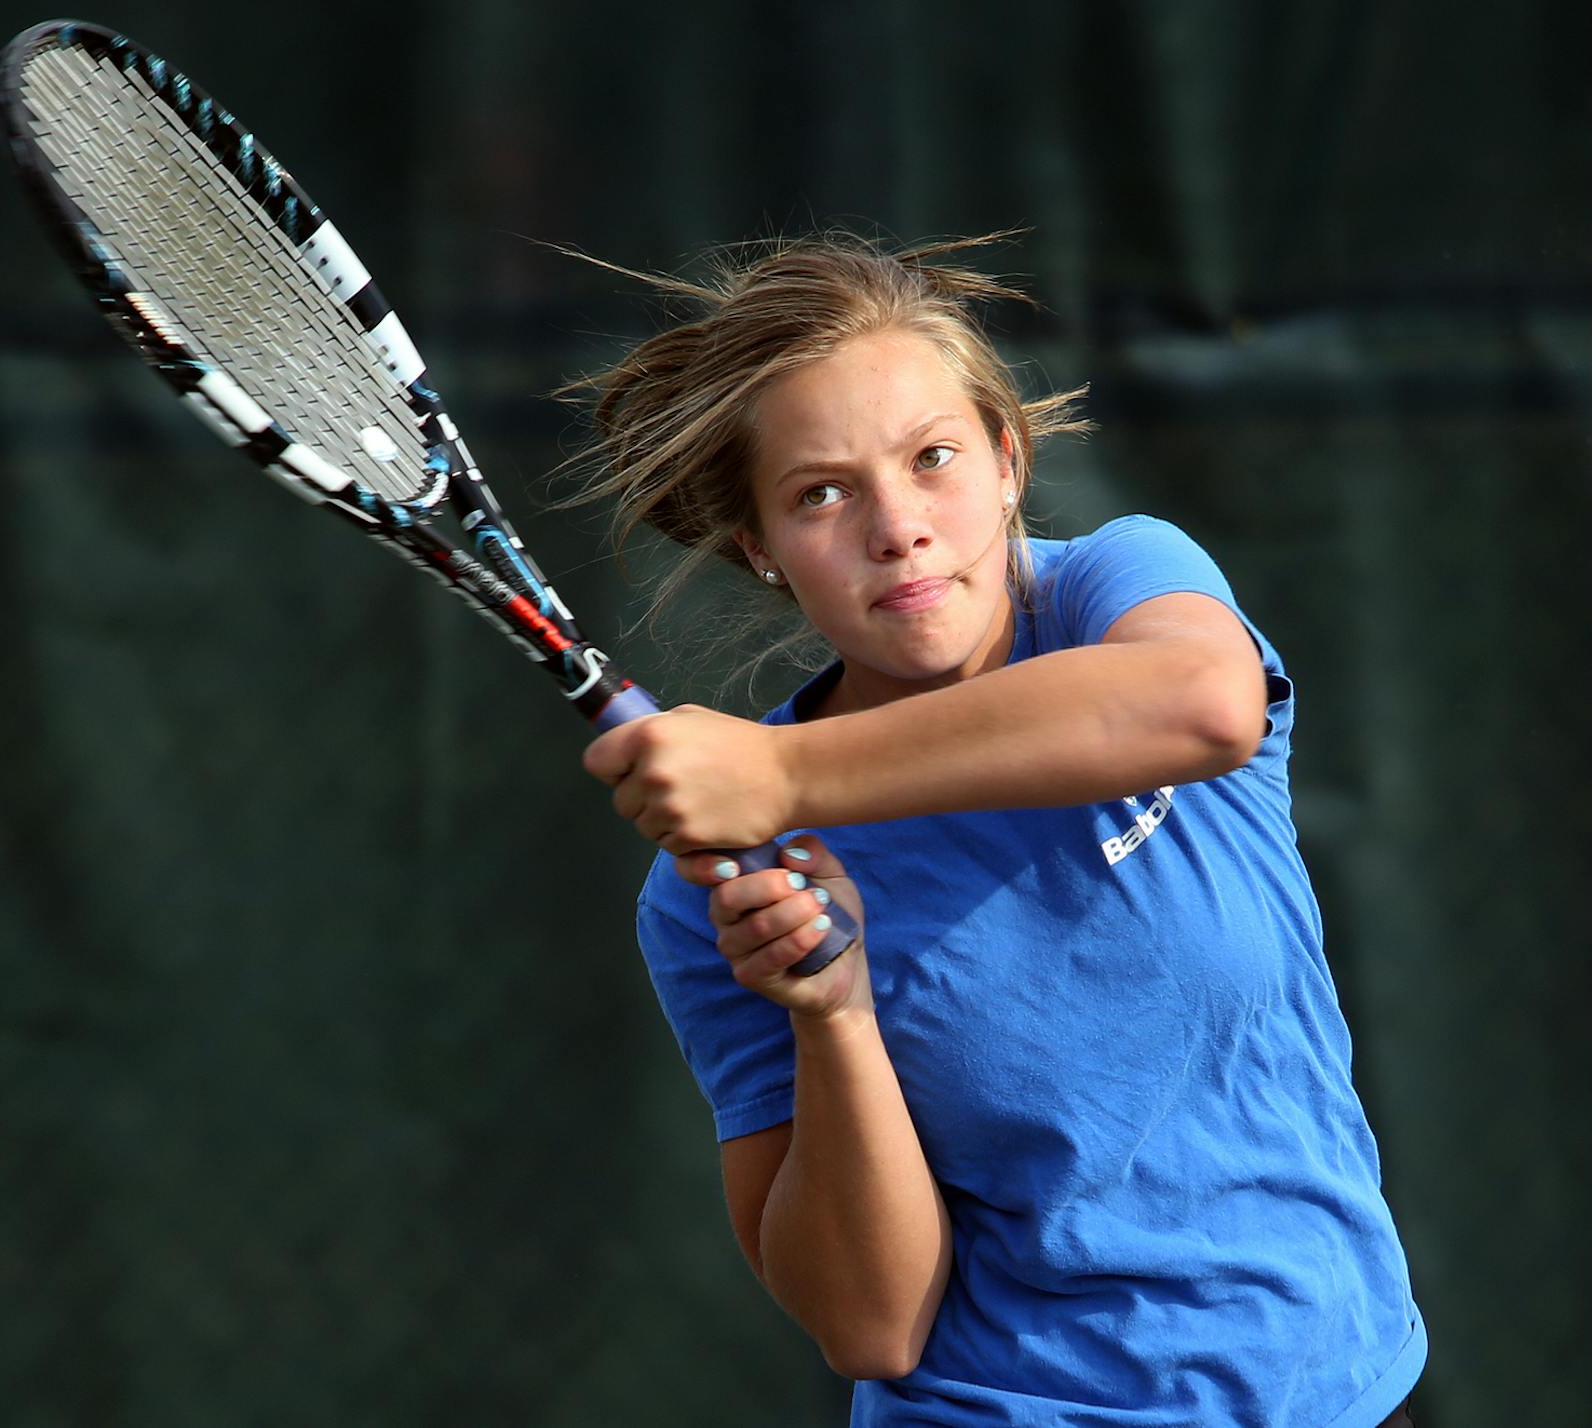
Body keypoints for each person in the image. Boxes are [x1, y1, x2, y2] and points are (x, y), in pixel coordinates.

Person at [575, 233, 1425, 1427]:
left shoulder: (1119, 590)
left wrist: (783, 772)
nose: (899, 527)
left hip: (1340, 1389)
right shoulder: (713, 895)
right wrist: (834, 1015)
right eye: (823, 492)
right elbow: (871, 1325)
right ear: (761, 549)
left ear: (1009, 459)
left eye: (933, 459)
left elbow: (1205, 704)